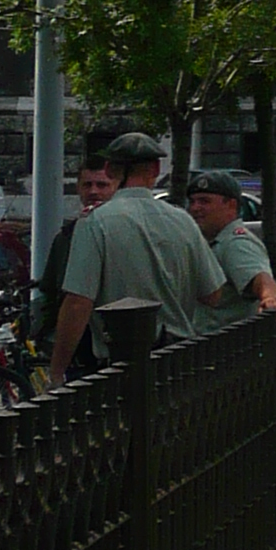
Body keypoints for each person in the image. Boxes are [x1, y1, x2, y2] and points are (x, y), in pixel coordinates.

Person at [48, 131, 227, 382]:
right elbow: (213, 294)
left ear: (109, 169)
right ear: (155, 169)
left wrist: (56, 372)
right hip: (179, 364)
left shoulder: (95, 223)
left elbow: (78, 302)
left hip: (122, 369)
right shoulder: (183, 220)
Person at [33, 154, 117, 361]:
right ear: (78, 188)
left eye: (102, 185)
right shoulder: (66, 237)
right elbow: (52, 290)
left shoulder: (122, 234)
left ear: (116, 187)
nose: (93, 191)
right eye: (87, 185)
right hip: (74, 344)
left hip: (112, 339)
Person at [187, 171, 276, 330]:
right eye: (192, 201)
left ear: (231, 205)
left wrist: (270, 297)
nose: (195, 208)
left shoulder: (236, 243)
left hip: (223, 346)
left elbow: (258, 276)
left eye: (204, 201)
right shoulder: (210, 241)